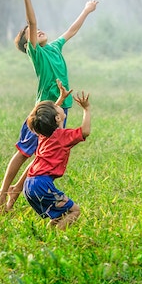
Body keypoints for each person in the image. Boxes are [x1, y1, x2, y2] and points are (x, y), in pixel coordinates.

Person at [0, 0, 98, 214]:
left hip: (61, 108)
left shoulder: (53, 47)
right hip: (43, 110)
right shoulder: (37, 53)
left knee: (44, 153)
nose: (38, 30)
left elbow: (71, 31)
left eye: (39, 30)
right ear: (27, 43)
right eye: (31, 33)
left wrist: (86, 10)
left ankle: (16, 193)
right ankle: (3, 192)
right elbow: (32, 22)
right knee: (23, 152)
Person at [23, 80, 91, 230]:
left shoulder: (43, 134)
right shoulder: (63, 136)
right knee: (75, 211)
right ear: (57, 118)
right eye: (56, 106)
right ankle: (56, 239)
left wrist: (60, 98)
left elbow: (49, 115)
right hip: (42, 184)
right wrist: (86, 109)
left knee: (60, 214)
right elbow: (85, 131)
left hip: (29, 184)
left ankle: (49, 234)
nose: (58, 105)